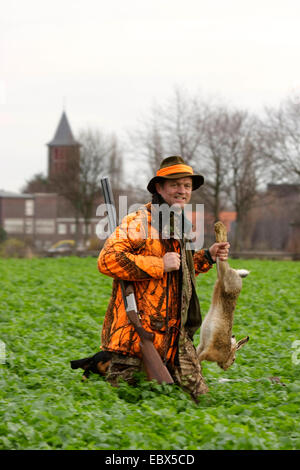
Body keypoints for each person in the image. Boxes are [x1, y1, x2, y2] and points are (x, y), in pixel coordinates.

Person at [97, 156, 229, 400]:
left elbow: (182, 270)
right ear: (159, 188)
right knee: (123, 404)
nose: (182, 191)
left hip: (176, 338)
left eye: (187, 186)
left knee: (203, 401)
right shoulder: (139, 222)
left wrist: (208, 257)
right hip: (137, 338)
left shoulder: (179, 225)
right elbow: (107, 259)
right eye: (175, 185)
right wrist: (159, 264)